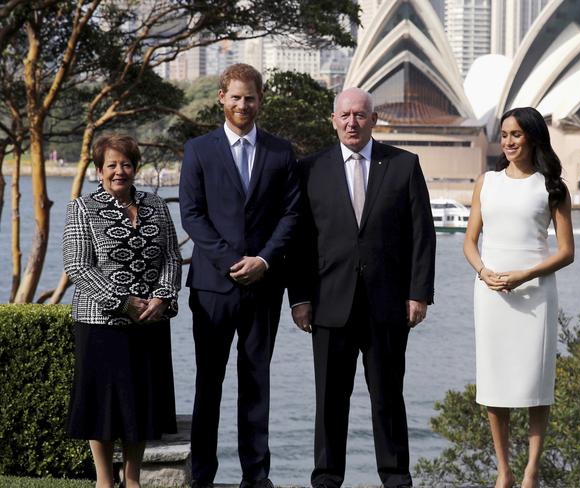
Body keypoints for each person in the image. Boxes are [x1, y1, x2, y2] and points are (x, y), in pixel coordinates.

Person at [288, 87, 436, 488]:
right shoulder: (310, 169)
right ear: (334, 120)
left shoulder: (404, 165)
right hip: (327, 305)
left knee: (388, 398)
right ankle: (326, 477)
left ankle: (395, 476)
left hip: (387, 305)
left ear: (374, 119)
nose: (352, 122)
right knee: (329, 401)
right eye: (345, 115)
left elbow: (422, 234)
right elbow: (299, 241)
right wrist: (299, 298)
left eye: (360, 115)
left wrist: (419, 293)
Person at [179, 63, 301, 488]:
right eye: (235, 97)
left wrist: (263, 260)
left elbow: (291, 214)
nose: (243, 105)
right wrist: (233, 261)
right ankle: (202, 475)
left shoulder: (282, 152)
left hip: (263, 287)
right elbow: (192, 215)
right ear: (221, 98)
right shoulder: (198, 150)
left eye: (250, 97)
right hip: (213, 286)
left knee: (256, 384)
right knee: (208, 383)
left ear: (260, 100)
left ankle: (256, 477)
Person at [463, 107, 575, 488]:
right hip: (492, 294)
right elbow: (469, 242)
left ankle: (531, 470)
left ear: (532, 138)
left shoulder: (552, 187)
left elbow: (566, 252)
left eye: (516, 135)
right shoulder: (487, 182)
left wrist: (525, 275)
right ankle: (504, 471)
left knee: (536, 384)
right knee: (495, 383)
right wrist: (484, 272)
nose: (509, 142)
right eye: (505, 135)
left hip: (536, 294)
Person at [63, 134, 182, 488]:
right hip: (101, 324)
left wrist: (162, 297)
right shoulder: (82, 208)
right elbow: (78, 266)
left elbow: (172, 257)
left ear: (135, 168)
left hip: (149, 323)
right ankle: (104, 481)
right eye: (112, 165)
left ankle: (133, 480)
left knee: (140, 404)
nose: (120, 171)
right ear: (99, 171)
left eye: (126, 164)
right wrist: (124, 302)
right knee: (102, 406)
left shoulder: (156, 206)